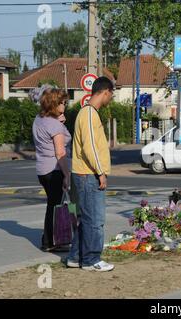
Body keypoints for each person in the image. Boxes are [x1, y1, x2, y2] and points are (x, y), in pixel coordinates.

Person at [66, 77, 115, 272]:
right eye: (111, 94)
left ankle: (75, 257)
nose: (110, 99)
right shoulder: (88, 114)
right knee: (95, 220)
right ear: (105, 92)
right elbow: (90, 147)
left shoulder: (88, 113)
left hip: (86, 173)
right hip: (89, 174)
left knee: (86, 219)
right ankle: (91, 260)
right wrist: (100, 172)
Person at [32, 88, 71, 252]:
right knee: (55, 206)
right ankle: (49, 242)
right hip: (54, 169)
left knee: (53, 205)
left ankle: (53, 239)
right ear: (55, 104)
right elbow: (60, 152)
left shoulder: (39, 120)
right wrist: (67, 174)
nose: (65, 105)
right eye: (62, 103)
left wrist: (61, 123)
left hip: (41, 169)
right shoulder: (55, 125)